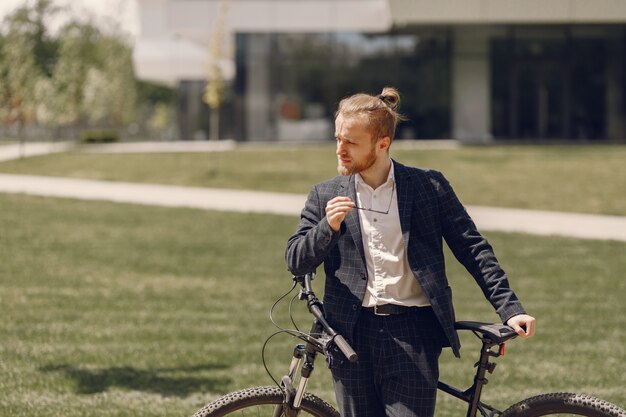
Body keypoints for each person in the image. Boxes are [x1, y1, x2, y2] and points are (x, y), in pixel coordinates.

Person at [285, 87, 536, 417]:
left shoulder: (428, 187)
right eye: (337, 139)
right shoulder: (325, 194)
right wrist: (326, 229)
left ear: (382, 143)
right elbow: (295, 259)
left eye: (350, 142)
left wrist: (510, 308)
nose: (340, 150)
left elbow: (472, 247)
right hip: (350, 336)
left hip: (413, 334)